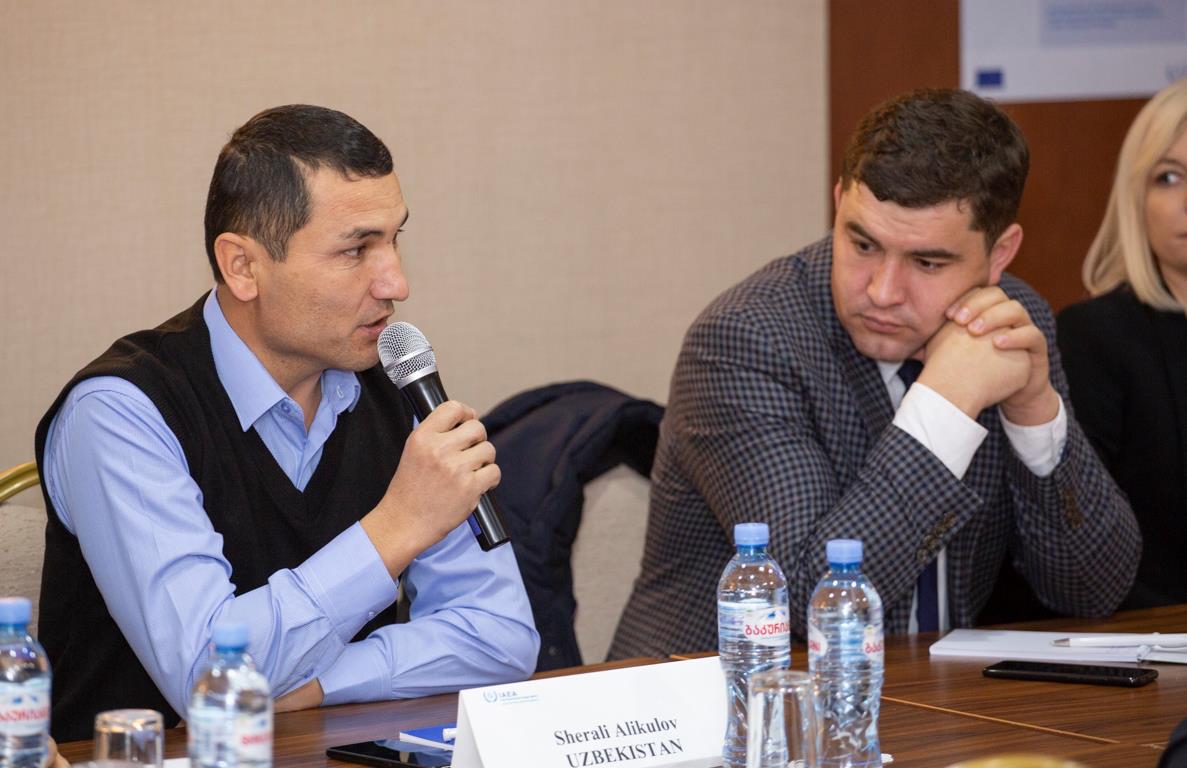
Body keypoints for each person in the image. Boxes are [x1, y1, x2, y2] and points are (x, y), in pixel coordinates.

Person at [35, 105, 539, 740]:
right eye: (356, 249)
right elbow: (210, 679)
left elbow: (501, 635)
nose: (397, 283)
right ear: (243, 267)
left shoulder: (394, 387)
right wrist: (398, 525)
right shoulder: (121, 412)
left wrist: (321, 685)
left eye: (395, 240)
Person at [609, 88, 1141, 659]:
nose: (882, 292)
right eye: (863, 243)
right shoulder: (745, 340)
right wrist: (947, 400)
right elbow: (815, 605)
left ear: (999, 254)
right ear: (839, 202)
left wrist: (1034, 410)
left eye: (927, 262)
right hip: (720, 698)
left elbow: (1093, 590)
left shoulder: (1007, 326)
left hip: (929, 694)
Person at [1057, 78, 1187, 608]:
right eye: (1169, 177)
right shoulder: (1092, 337)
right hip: (1144, 633)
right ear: (1137, 199)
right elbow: (1084, 549)